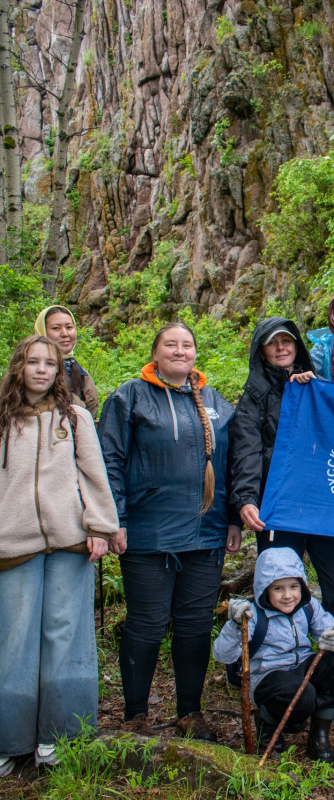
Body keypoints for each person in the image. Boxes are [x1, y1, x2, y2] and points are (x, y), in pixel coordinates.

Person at [98, 322, 238, 740]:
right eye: (171, 345)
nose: (180, 351)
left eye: (187, 345)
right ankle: (135, 716)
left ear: (196, 353)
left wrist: (231, 518)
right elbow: (111, 461)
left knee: (195, 624)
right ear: (155, 353)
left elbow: (232, 466)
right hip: (146, 533)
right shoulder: (130, 397)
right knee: (146, 623)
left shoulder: (216, 402)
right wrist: (115, 520)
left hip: (206, 534)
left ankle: (189, 713)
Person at [227, 317, 334, 709]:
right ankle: (254, 664)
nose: (282, 348)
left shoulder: (316, 385)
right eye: (273, 343)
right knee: (274, 591)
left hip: (323, 507)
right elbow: (247, 449)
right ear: (261, 350)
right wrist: (246, 499)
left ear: (297, 346)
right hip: (279, 506)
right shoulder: (253, 395)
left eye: (288, 341)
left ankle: (327, 664)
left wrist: (311, 389)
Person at [0, 336, 117, 775]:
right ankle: (10, 740)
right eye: (34, 362)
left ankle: (60, 735)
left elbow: (94, 474)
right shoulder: (2, 418)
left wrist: (101, 526)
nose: (43, 369)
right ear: (19, 367)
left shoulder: (76, 416)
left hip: (70, 540)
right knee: (15, 637)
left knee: (65, 634)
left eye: (50, 363)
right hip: (12, 543)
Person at [213, 548, 334, 762]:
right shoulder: (252, 613)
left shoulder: (308, 605)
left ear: (302, 585)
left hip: (301, 665)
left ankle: (319, 735)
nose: (288, 596)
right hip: (268, 675)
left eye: (294, 587)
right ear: (264, 588)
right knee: (302, 696)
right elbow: (223, 655)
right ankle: (267, 722)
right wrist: (235, 625)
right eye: (278, 588)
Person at [34, 305, 99, 418]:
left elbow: (91, 415)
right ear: (42, 331)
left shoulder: (81, 374)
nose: (65, 334)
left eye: (69, 327)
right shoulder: (29, 371)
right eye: (56, 328)